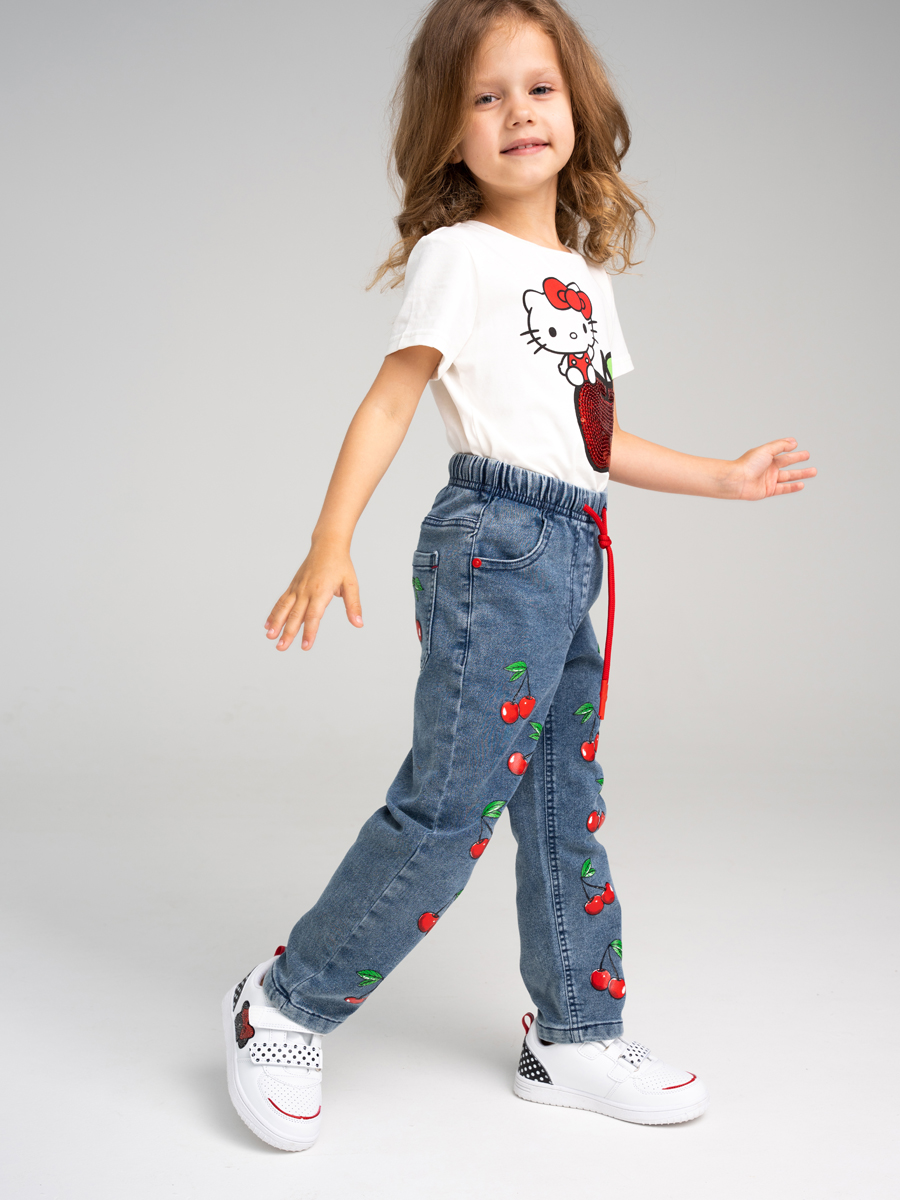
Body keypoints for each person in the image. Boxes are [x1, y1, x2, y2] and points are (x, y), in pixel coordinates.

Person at [222, 0, 815, 1153]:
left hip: (575, 544)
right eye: (485, 97)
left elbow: (592, 440)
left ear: (575, 107)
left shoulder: (583, 280)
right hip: (496, 542)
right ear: (451, 134)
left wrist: (722, 477)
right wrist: (331, 538)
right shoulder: (458, 257)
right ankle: (285, 1002)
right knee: (451, 806)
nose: (517, 113)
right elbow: (393, 398)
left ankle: (576, 1035)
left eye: (538, 89)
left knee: (562, 801)